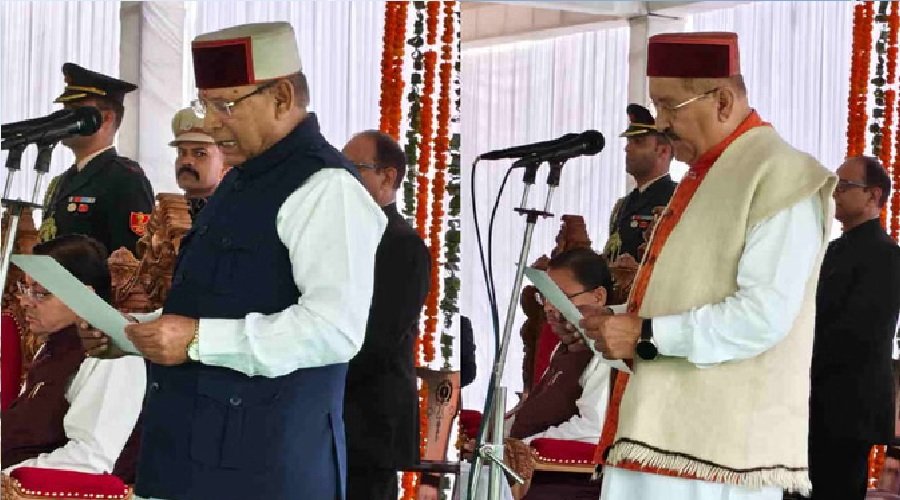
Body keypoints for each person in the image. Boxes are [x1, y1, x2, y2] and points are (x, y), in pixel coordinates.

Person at [80, 22, 385, 499]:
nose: (212, 124)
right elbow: (218, 304)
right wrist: (134, 332)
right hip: (187, 459)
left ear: (282, 97)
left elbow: (333, 329)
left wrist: (198, 340)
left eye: (226, 106)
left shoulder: (326, 187)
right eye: (206, 105)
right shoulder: (241, 180)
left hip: (264, 468)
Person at [581, 32, 835, 500]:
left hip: (717, 459)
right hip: (659, 439)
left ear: (722, 101)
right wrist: (616, 322)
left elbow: (762, 316)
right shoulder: (707, 174)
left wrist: (645, 335)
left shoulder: (780, 174)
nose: (661, 123)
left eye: (669, 106)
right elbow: (689, 292)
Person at [1, 235, 145, 483]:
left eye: (41, 293)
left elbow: (91, 460)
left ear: (84, 296)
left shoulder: (112, 355)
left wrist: (7, 479)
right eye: (25, 288)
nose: (24, 302)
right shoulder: (53, 347)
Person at [340, 130, 431, 500]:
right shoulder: (343, 235)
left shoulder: (402, 244)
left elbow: (379, 339)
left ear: (387, 177)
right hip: (334, 410)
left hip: (369, 417)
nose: (342, 178)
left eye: (353, 169)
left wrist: (317, 370)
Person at [809, 156, 900, 500]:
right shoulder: (833, 249)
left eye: (845, 186)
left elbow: (860, 334)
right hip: (819, 397)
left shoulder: (886, 255)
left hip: (848, 405)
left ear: (873, 195)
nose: (835, 192)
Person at [509, 248, 612, 499]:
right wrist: (495, 440)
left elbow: (593, 428)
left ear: (598, 296)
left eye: (560, 297)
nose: (549, 308)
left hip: (563, 478)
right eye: (544, 298)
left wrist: (522, 448)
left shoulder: (609, 350)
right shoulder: (563, 346)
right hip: (522, 466)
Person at [39, 63, 154, 254]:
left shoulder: (125, 179)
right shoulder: (64, 180)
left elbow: (130, 258)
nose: (64, 119)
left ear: (107, 118)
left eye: (76, 112)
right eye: (65, 111)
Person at [602, 104, 676, 265]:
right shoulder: (624, 204)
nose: (628, 148)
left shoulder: (675, 199)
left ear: (663, 151)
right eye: (629, 141)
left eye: (638, 142)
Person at [169, 107, 228, 219]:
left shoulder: (233, 214)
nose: (186, 161)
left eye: (200, 154)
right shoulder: (165, 216)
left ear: (225, 163)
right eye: (181, 152)